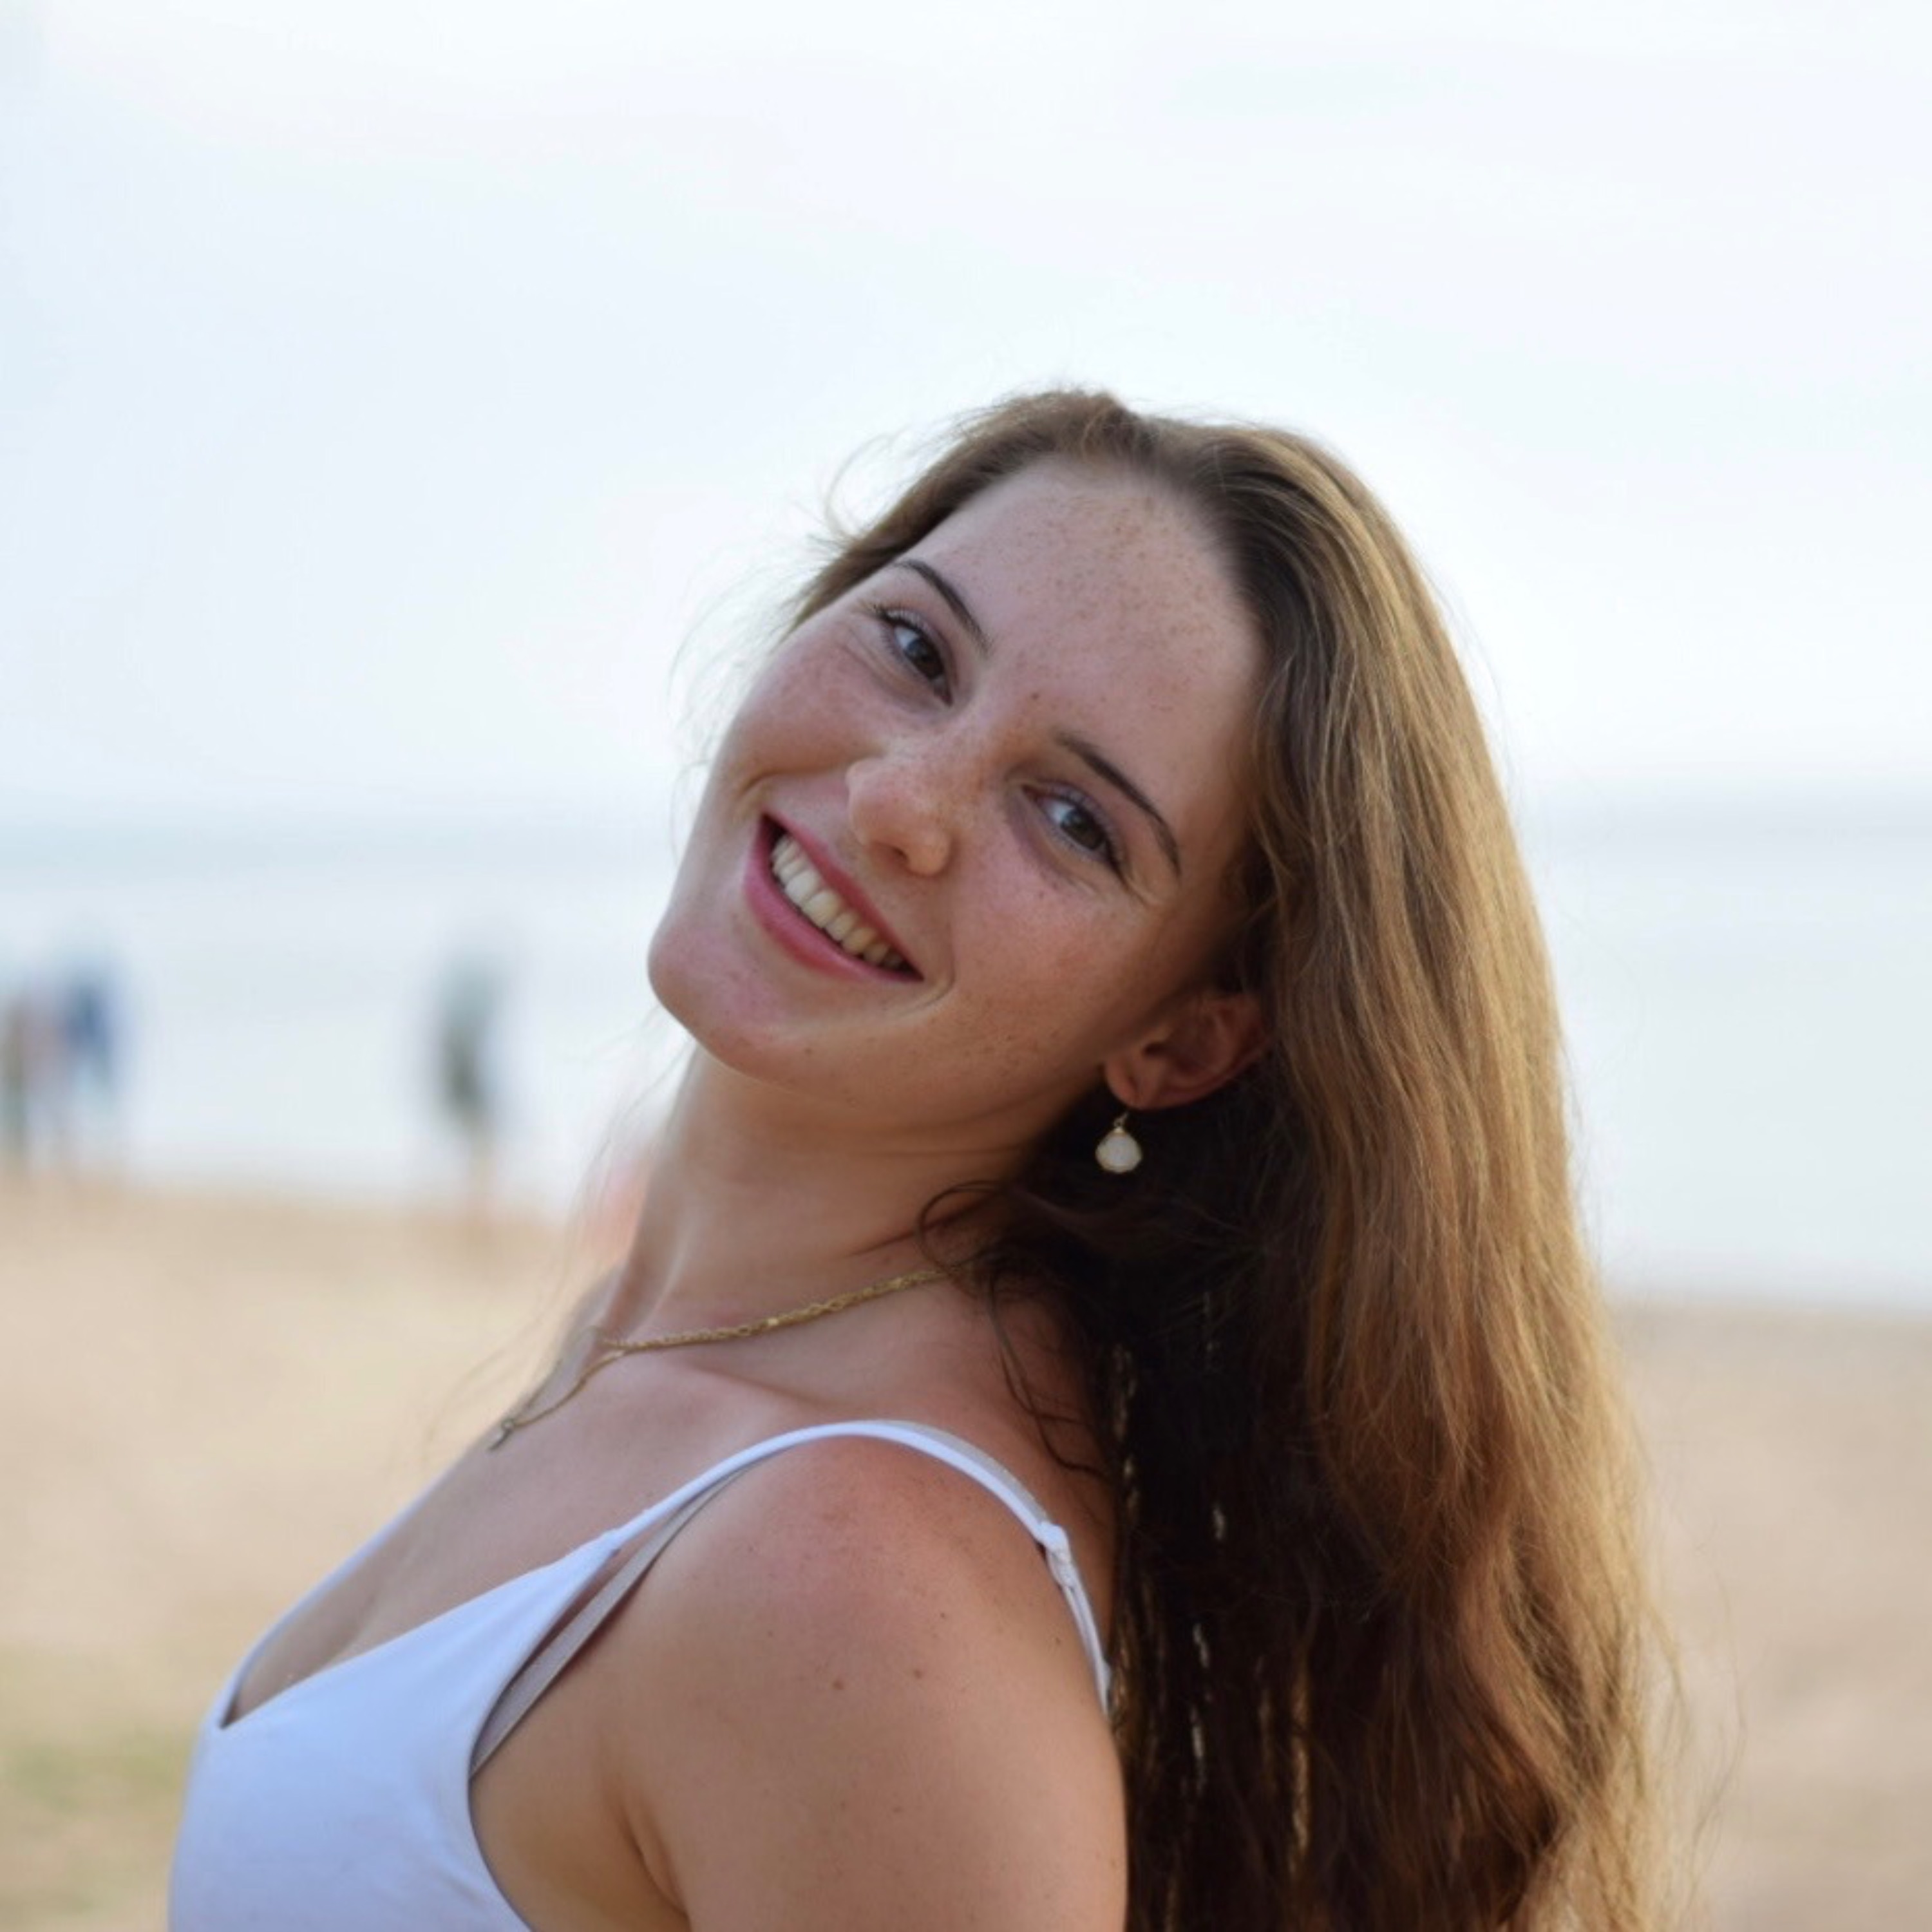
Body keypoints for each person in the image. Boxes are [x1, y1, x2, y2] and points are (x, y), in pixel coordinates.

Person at [171, 391, 1668, 1931]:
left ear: (1180, 1042)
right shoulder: (680, 1353)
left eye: (1073, 819)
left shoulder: (858, 1585)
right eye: (916, 649)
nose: (900, 798)